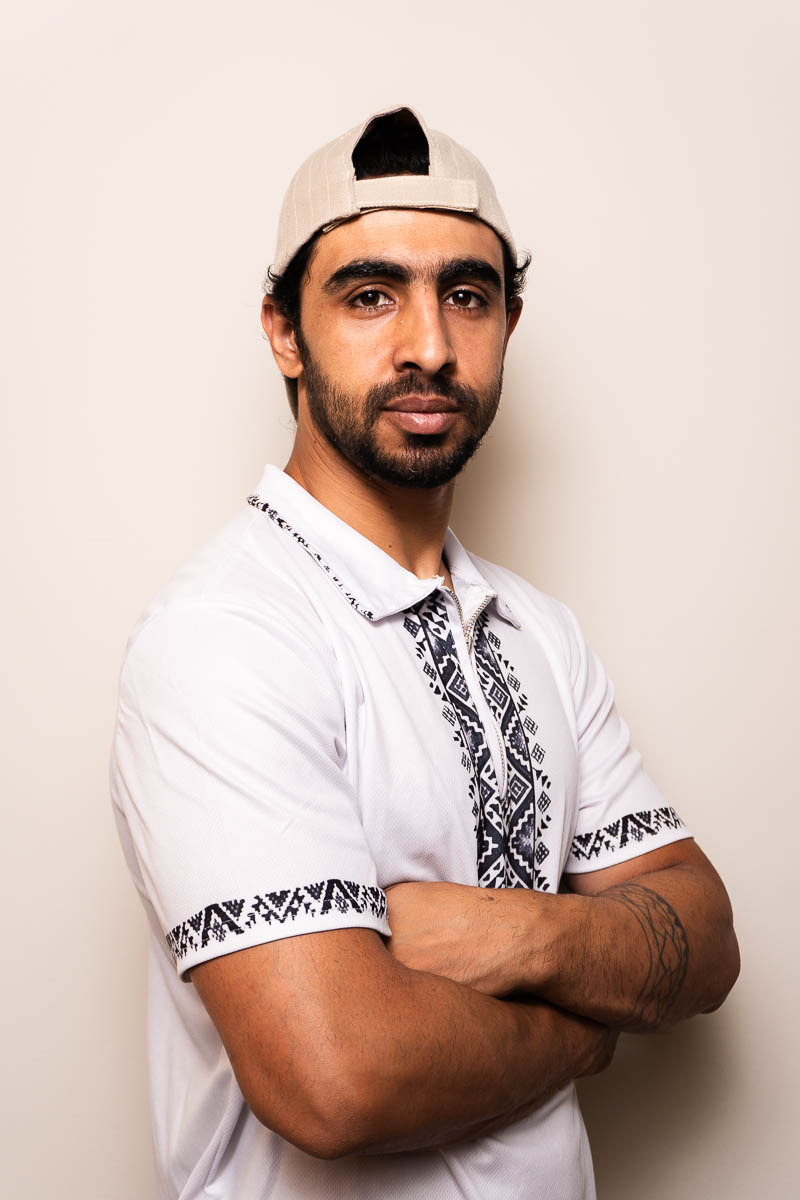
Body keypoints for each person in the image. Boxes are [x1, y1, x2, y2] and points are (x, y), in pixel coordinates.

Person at [110, 105, 739, 1200]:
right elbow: (335, 1081)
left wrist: (514, 938)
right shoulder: (225, 636)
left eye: (466, 295)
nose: (428, 347)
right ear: (281, 331)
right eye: (368, 295)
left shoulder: (536, 631)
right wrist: (584, 1033)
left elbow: (705, 935)